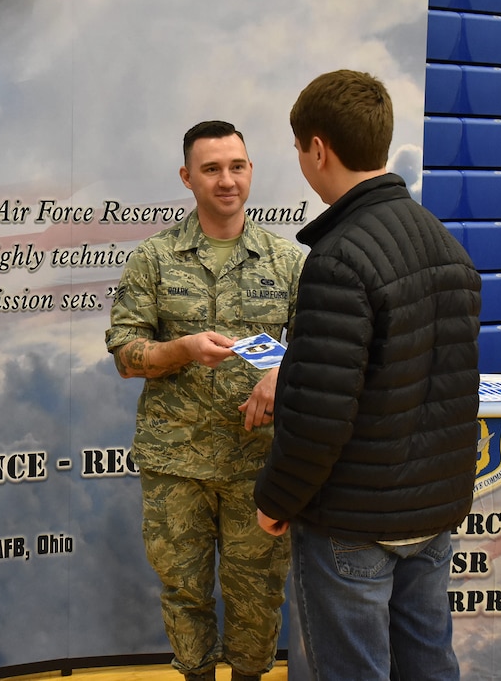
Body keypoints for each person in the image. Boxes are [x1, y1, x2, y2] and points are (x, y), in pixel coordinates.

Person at [254, 69, 482, 681]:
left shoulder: (339, 260)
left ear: (318, 148)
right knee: (429, 663)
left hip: (353, 524)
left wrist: (276, 500)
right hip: (431, 515)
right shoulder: (446, 245)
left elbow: (321, 414)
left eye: (299, 149)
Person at [105, 120, 305, 681]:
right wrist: (182, 350)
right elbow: (124, 354)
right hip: (178, 466)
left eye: (236, 166)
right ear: (187, 177)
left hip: (260, 465)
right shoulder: (154, 258)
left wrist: (281, 375)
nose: (226, 180)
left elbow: (322, 348)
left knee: (257, 597)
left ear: (251, 171)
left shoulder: (287, 262)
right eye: (212, 169)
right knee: (183, 592)